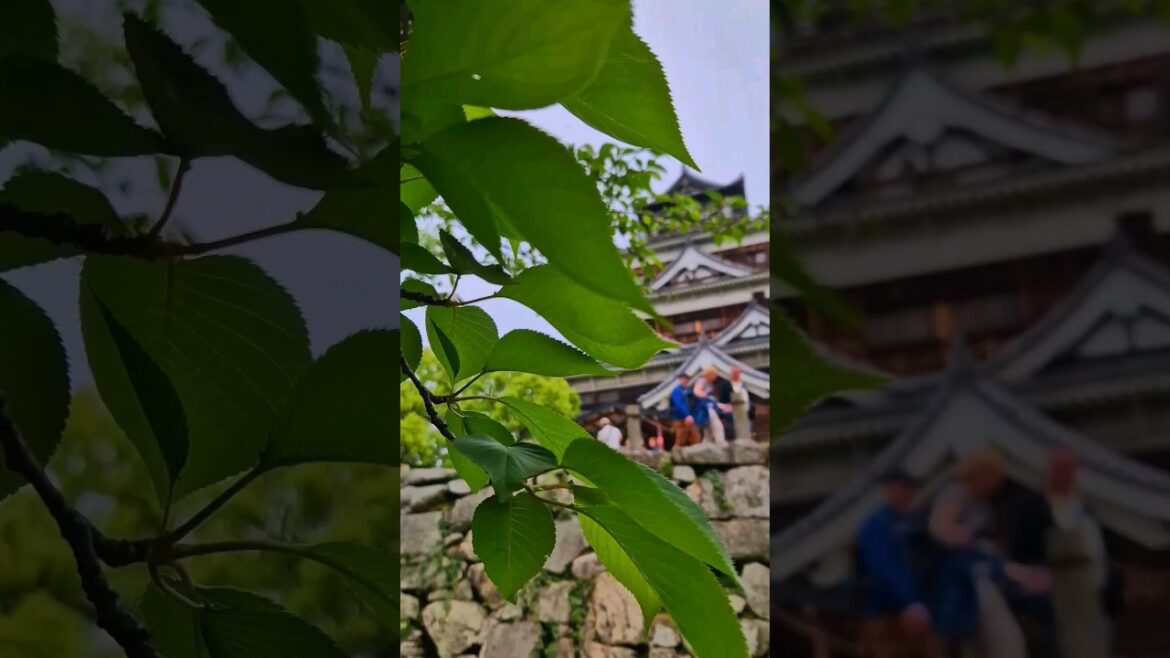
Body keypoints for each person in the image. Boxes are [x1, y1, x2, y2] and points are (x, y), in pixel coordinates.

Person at [928, 448, 1039, 658]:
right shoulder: (956, 492)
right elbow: (938, 527)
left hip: (987, 573)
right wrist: (963, 539)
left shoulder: (981, 502)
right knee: (1006, 639)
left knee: (978, 644)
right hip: (971, 577)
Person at [856, 470, 942, 658]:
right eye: (900, 487)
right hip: (887, 614)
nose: (905, 492)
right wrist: (908, 602)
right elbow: (882, 567)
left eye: (909, 487)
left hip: (924, 611)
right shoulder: (876, 525)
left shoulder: (918, 524)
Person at [669, 374, 700, 448]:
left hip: (690, 417)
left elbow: (694, 403)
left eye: (686, 379)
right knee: (680, 438)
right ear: (680, 380)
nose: (685, 380)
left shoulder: (689, 390)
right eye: (683, 379)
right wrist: (686, 415)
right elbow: (678, 404)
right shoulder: (676, 391)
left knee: (695, 437)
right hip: (679, 418)